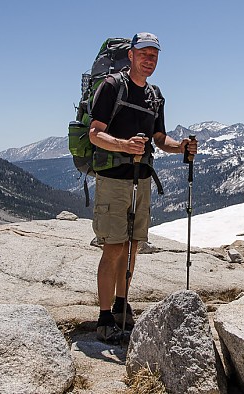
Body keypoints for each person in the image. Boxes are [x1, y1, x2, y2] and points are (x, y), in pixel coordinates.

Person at [89, 32, 198, 343]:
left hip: (142, 177)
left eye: (154, 55)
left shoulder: (155, 95)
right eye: (144, 54)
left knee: (133, 245)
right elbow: (95, 133)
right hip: (113, 180)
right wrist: (124, 145)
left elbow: (160, 139)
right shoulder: (112, 87)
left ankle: (123, 306)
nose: (149, 60)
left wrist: (182, 148)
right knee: (113, 248)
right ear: (131, 55)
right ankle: (105, 316)